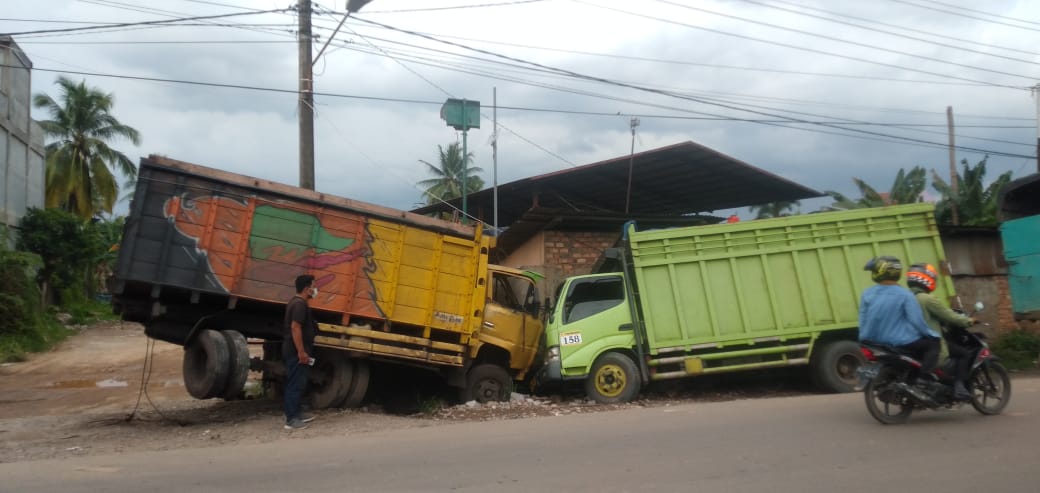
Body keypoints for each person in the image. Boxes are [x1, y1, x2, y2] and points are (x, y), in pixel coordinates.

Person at [858, 256, 942, 383]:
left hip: (872, 342)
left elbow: (863, 319)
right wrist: (930, 334)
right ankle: (923, 378)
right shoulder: (905, 295)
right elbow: (916, 321)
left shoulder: (867, 293)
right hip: (899, 342)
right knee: (933, 344)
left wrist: (863, 338)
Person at [906, 263, 975, 400]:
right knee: (964, 354)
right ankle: (959, 387)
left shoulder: (906, 298)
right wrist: (968, 321)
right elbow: (949, 316)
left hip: (913, 342)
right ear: (926, 279)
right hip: (932, 341)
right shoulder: (927, 299)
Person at [283, 274, 318, 430]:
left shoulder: (298, 302)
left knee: (299, 382)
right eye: (313, 286)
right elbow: (295, 327)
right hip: (295, 352)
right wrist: (301, 352)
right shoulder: (299, 305)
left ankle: (296, 413)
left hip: (296, 350)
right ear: (306, 288)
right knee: (295, 384)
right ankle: (291, 420)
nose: (315, 290)